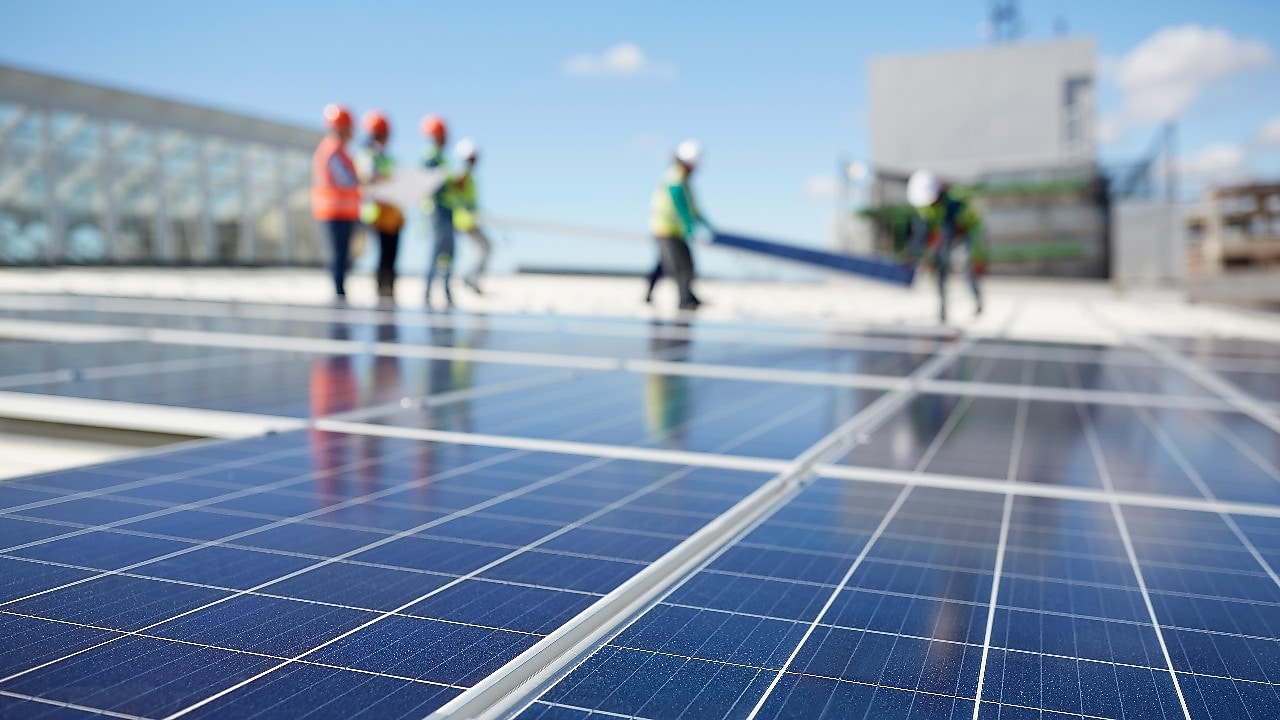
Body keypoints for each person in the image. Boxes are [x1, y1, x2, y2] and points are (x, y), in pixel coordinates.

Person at [906, 169, 985, 323]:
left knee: (965, 268)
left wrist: (932, 252)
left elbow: (948, 230)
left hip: (963, 234)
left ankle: (977, 302)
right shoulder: (923, 206)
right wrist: (914, 253)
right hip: (944, 235)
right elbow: (921, 232)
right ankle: (942, 311)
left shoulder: (954, 200)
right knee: (939, 270)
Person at [648, 140, 709, 310]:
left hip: (674, 230)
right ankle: (684, 299)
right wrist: (688, 221)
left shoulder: (684, 180)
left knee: (670, 263)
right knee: (680, 265)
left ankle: (687, 295)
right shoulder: (675, 177)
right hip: (665, 229)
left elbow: (690, 206)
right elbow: (679, 202)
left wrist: (701, 220)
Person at [310, 104, 361, 303]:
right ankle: (339, 292)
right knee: (339, 254)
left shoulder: (340, 151)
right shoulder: (332, 150)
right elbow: (346, 179)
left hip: (343, 211)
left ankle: (340, 290)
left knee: (343, 254)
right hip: (334, 210)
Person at [355, 110, 404, 304]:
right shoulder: (367, 156)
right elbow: (365, 180)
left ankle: (389, 290)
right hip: (378, 212)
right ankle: (381, 290)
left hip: (393, 213)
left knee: (391, 255)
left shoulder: (388, 158)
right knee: (383, 254)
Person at [421, 114, 458, 309]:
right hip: (438, 211)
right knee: (438, 251)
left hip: (447, 210)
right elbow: (430, 183)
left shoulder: (441, 158)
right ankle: (427, 293)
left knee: (448, 253)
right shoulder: (431, 156)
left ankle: (445, 290)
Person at [452, 138, 491, 295]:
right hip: (464, 221)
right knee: (485, 247)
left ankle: (471, 277)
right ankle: (470, 277)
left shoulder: (469, 177)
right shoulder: (461, 176)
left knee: (481, 249)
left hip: (469, 219)